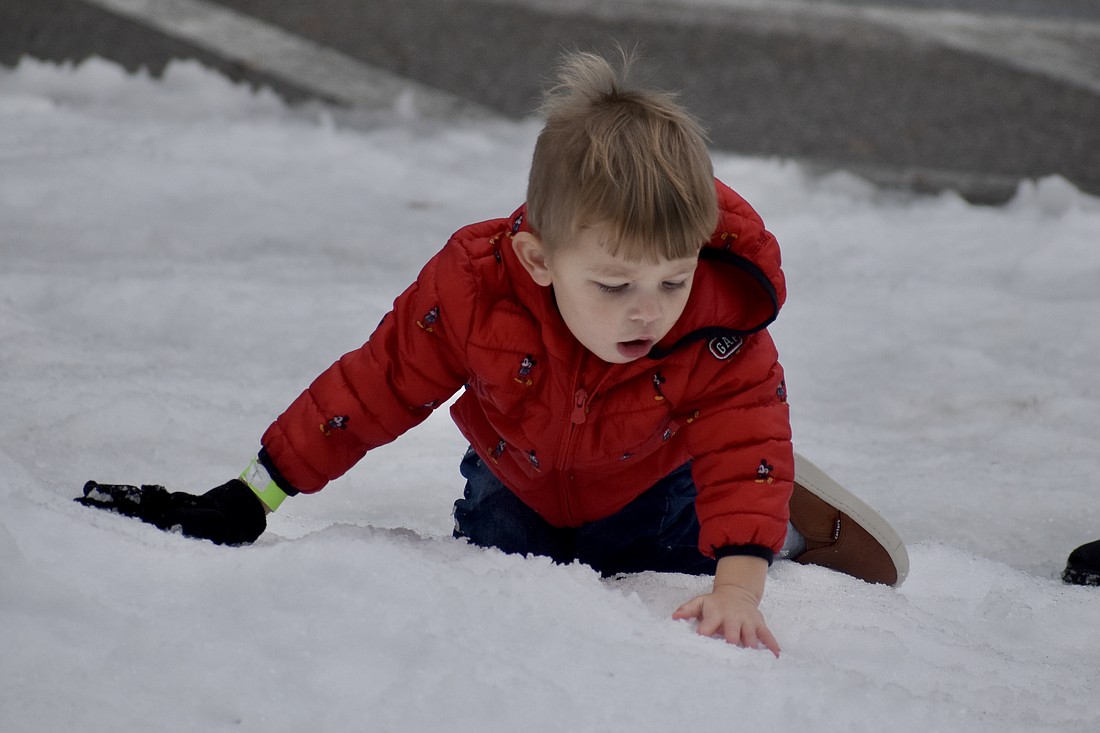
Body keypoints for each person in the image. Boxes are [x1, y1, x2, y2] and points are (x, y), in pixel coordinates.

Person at [77, 49, 907, 655]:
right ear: (542, 259)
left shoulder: (719, 330)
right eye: (613, 286)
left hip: (655, 483)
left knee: (707, 522)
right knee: (501, 569)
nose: (648, 310)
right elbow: (373, 386)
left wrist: (738, 586)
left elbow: (743, 422)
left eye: (672, 279)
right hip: (517, 487)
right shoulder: (474, 290)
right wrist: (255, 493)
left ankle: (778, 526)